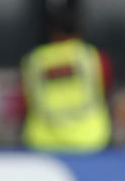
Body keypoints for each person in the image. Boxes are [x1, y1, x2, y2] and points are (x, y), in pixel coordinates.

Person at [20, 9, 112, 152]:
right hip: (89, 139)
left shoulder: (34, 60)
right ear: (80, 30)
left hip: (43, 141)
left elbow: (25, 100)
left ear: (50, 31)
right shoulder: (94, 57)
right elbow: (106, 90)